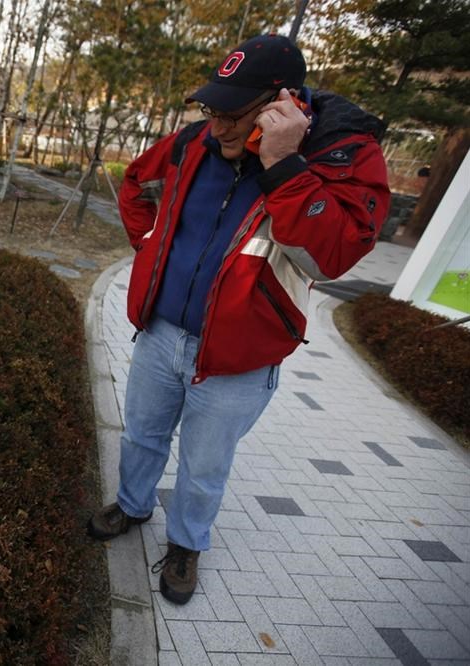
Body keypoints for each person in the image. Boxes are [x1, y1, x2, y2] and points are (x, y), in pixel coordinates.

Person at [87, 34, 390, 605]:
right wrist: (150, 249)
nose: (218, 128)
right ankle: (132, 504)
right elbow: (135, 181)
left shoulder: (343, 156)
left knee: (205, 463)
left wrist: (283, 164)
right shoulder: (196, 140)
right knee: (142, 434)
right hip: (161, 333)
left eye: (234, 115)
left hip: (236, 357)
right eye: (212, 110)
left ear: (284, 105)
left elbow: (334, 254)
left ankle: (186, 544)